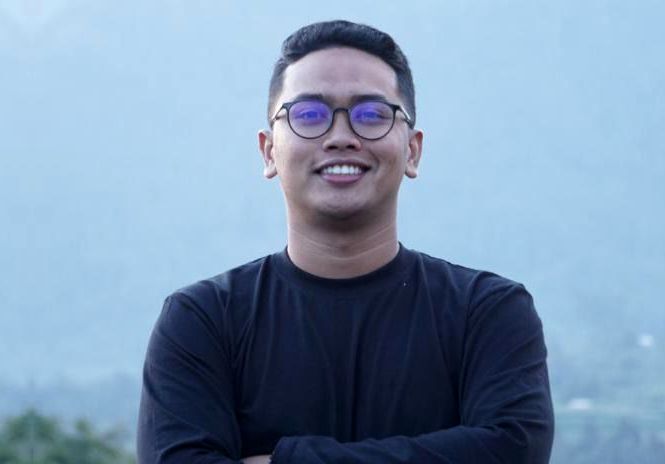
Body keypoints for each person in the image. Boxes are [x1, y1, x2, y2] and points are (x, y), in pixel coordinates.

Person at [137, 19, 554, 464]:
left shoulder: (486, 314)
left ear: (412, 150)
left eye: (371, 115)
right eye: (308, 115)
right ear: (269, 151)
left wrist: (285, 460)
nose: (340, 137)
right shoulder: (203, 322)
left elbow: (514, 449)